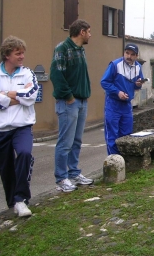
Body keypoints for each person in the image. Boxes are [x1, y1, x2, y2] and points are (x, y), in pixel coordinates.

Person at [50, 19, 94, 192]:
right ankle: (62, 178)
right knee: (65, 142)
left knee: (76, 140)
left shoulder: (80, 50)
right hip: (69, 102)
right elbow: (57, 75)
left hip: (81, 101)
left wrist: (85, 95)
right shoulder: (62, 48)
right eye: (89, 31)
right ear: (81, 32)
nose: (90, 35)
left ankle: (74, 172)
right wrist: (68, 97)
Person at [0, 36, 38, 216]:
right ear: (7, 55)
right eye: (18, 53)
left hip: (22, 126)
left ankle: (21, 199)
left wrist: (7, 94)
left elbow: (32, 95)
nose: (22, 57)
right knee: (5, 168)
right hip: (2, 129)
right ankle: (12, 201)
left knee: (24, 153)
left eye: (23, 53)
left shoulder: (28, 73)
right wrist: (17, 99)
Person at [101, 44, 145, 155]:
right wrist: (118, 92)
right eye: (127, 53)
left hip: (126, 104)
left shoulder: (138, 67)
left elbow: (137, 86)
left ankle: (125, 161)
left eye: (132, 54)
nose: (129, 56)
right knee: (112, 135)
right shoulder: (115, 65)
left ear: (136, 56)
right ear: (124, 52)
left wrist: (138, 84)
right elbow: (104, 82)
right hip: (113, 103)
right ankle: (114, 162)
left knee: (126, 133)